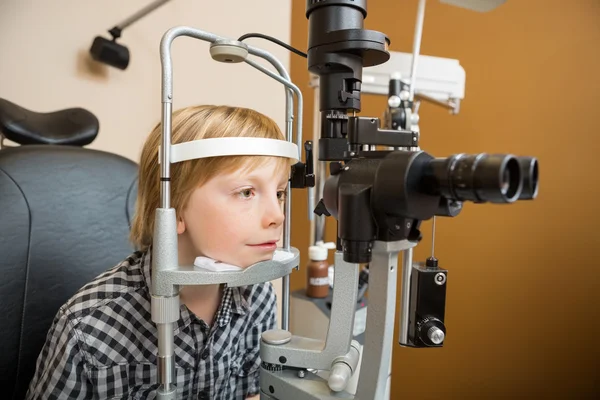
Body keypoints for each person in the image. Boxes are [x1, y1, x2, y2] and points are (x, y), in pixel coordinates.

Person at [26, 105, 293, 399]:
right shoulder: (87, 328)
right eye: (246, 192)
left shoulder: (259, 299)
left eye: (279, 193)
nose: (277, 215)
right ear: (174, 210)